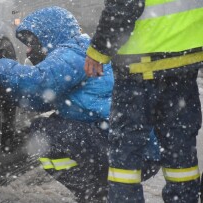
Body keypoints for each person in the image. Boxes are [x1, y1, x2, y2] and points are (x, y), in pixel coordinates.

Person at [0, 6, 160, 202]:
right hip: (138, 148)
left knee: (43, 133)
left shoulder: (73, 52)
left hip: (125, 145)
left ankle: (95, 194)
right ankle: (101, 191)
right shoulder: (79, 49)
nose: (28, 50)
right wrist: (8, 88)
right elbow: (38, 100)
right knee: (53, 126)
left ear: (49, 34)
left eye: (32, 42)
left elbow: (36, 83)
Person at [84, 0, 203, 202]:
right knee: (180, 150)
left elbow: (124, 7)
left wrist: (98, 51)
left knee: (126, 155)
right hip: (184, 67)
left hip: (139, 70)